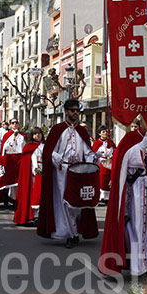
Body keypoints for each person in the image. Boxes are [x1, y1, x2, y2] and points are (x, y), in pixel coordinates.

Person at [99, 120, 147, 275]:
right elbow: (122, 161)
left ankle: (146, 261)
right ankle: (137, 266)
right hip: (136, 190)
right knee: (136, 227)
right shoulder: (130, 138)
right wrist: (138, 148)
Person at [37, 100, 99, 246]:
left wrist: (91, 159)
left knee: (78, 203)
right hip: (62, 171)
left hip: (79, 172)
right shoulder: (58, 129)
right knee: (65, 203)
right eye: (72, 110)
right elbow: (49, 151)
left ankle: (77, 230)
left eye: (77, 110)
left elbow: (87, 151)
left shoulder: (82, 131)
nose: (75, 113)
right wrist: (57, 158)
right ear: (66, 111)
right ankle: (71, 234)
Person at [14, 130, 45, 225]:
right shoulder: (28, 147)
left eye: (39, 133)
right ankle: (34, 215)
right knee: (34, 194)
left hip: (45, 172)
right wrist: (36, 169)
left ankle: (42, 215)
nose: (38, 135)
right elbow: (28, 159)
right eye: (35, 134)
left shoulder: (45, 145)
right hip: (34, 173)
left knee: (43, 194)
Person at [92, 126, 115, 202]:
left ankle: (107, 197)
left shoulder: (110, 142)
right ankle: (101, 196)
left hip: (109, 163)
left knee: (108, 180)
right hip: (100, 163)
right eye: (103, 132)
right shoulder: (97, 143)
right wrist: (97, 154)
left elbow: (115, 151)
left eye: (106, 132)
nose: (105, 133)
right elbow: (92, 154)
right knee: (101, 180)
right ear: (99, 134)